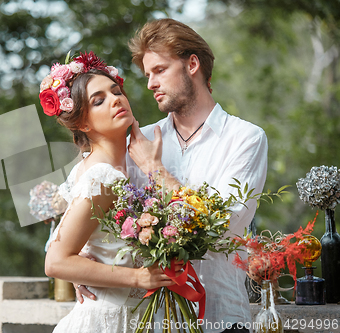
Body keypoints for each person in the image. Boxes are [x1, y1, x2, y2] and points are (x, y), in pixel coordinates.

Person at [77, 19, 268, 333]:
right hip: (148, 321)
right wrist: (84, 255)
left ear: (192, 64)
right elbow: (83, 207)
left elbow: (222, 227)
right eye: (148, 74)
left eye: (159, 70)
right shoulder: (136, 140)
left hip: (220, 319)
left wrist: (155, 170)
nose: (150, 83)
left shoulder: (245, 138)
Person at [41, 51, 182, 333]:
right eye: (99, 100)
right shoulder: (102, 176)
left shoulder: (101, 167)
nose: (116, 99)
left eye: (116, 91)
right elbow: (56, 261)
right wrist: (138, 277)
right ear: (83, 123)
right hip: (106, 321)